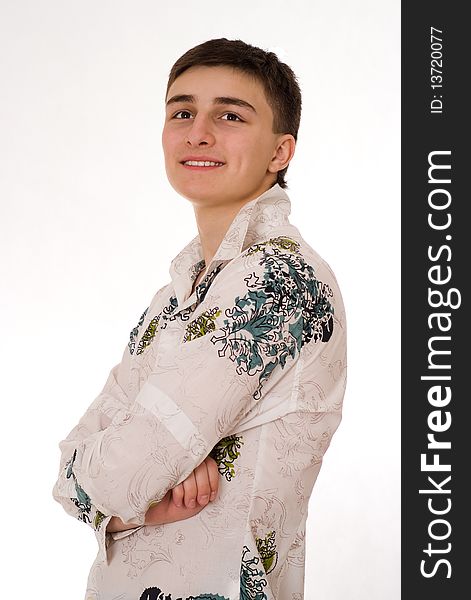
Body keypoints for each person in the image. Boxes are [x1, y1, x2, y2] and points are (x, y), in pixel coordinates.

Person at [52, 37, 347, 600]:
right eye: (182, 112)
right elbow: (70, 473)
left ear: (280, 152)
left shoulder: (278, 283)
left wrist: (129, 479)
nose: (198, 133)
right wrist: (132, 503)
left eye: (230, 115)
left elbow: (119, 470)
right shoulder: (175, 294)